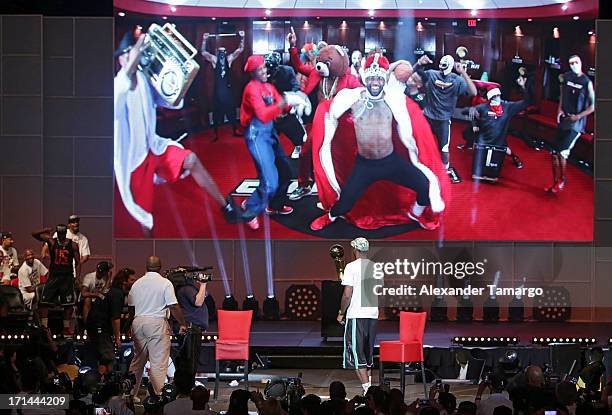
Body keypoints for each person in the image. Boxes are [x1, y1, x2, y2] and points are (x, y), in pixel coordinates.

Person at [114, 30, 240, 236]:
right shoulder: (118, 86)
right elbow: (123, 84)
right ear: (121, 58)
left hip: (154, 146)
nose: (137, 55)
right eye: (131, 52)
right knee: (144, 217)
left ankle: (226, 206)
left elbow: (169, 100)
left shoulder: (145, 78)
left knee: (191, 160)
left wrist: (178, 79)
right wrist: (139, 47)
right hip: (133, 162)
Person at [310, 53, 448, 231]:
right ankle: (331, 216)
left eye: (379, 78)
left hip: (390, 161)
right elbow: (329, 111)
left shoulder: (394, 99)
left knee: (424, 185)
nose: (375, 82)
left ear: (385, 79)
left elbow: (411, 117)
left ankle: (416, 212)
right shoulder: (353, 98)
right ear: (366, 78)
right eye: (372, 78)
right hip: (364, 165)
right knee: (345, 202)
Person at [239, 54, 307, 230]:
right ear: (252, 73)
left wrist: (296, 103)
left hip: (269, 133)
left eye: (263, 68)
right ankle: (249, 211)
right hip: (256, 135)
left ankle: (275, 205)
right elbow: (262, 115)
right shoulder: (251, 89)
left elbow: (281, 104)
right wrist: (285, 101)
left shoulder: (268, 86)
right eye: (259, 69)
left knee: (285, 172)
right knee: (270, 182)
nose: (263, 71)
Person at [126, 256, 188, 398]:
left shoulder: (137, 284)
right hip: (156, 323)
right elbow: (173, 305)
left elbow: (131, 308)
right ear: (160, 267)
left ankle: (129, 395)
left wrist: (129, 325)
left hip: (138, 322)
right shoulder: (165, 283)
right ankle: (155, 398)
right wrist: (183, 323)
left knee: (137, 361)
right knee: (158, 363)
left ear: (146, 267)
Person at [413, 54, 477, 183]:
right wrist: (463, 72)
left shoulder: (453, 79)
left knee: (443, 148)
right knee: (420, 142)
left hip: (442, 119)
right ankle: (419, 164)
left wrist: (419, 63)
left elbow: (473, 93)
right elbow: (412, 76)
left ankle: (444, 169)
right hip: (428, 116)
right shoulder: (434, 74)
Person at [465, 77, 532, 180]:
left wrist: (523, 87)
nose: (496, 98)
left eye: (497, 96)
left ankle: (514, 158)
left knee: (504, 151)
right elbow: (468, 111)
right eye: (493, 96)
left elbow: (527, 102)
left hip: (499, 140)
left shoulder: (508, 107)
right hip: (484, 140)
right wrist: (472, 114)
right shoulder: (483, 107)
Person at [547, 54, 595, 193]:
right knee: (554, 154)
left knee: (562, 153)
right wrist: (559, 109)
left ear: (581, 63)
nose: (574, 64)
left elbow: (593, 106)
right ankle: (556, 182)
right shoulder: (566, 77)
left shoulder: (587, 82)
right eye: (571, 62)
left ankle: (562, 180)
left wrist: (578, 117)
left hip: (576, 125)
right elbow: (562, 94)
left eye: (576, 62)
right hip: (564, 120)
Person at [336, 238, 378, 394]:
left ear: (355, 249)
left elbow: (347, 294)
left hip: (357, 315)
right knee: (367, 353)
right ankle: (370, 388)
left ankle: (368, 391)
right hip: (372, 315)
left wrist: (341, 312)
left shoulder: (351, 267)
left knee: (356, 352)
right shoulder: (376, 267)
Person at [32, 225, 81, 335]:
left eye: (63, 234)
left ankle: (66, 327)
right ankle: (44, 326)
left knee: (68, 304)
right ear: (57, 233)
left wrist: (77, 277)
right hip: (54, 276)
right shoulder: (52, 241)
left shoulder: (73, 245)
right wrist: (45, 229)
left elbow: (78, 262)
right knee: (44, 303)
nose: (61, 236)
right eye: (60, 234)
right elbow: (34, 234)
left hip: (67, 277)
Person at [201, 31, 245, 141]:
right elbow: (203, 52)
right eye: (219, 52)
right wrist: (204, 40)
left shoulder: (228, 59)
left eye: (223, 51)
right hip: (218, 91)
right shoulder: (214, 60)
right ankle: (215, 134)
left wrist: (242, 38)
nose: (221, 54)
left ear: (225, 52)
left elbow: (240, 50)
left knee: (231, 112)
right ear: (217, 52)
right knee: (216, 114)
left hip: (227, 91)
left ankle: (235, 130)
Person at [265, 51, 309, 159]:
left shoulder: (287, 71)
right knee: (269, 135)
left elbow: (295, 87)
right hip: (271, 109)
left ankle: (298, 146)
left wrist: (288, 98)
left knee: (296, 132)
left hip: (287, 105)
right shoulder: (263, 74)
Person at [83, 261, 123, 370]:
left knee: (103, 357)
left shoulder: (107, 280)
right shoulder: (89, 277)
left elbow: (106, 290)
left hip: (100, 308)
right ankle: (86, 327)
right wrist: (96, 294)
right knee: (107, 356)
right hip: (91, 305)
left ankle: (105, 376)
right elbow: (83, 293)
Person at [174, 274, 209, 376]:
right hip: (190, 328)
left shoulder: (181, 289)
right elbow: (198, 302)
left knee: (187, 358)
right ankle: (188, 385)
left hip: (189, 327)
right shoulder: (187, 288)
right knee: (191, 359)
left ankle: (186, 384)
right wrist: (203, 284)